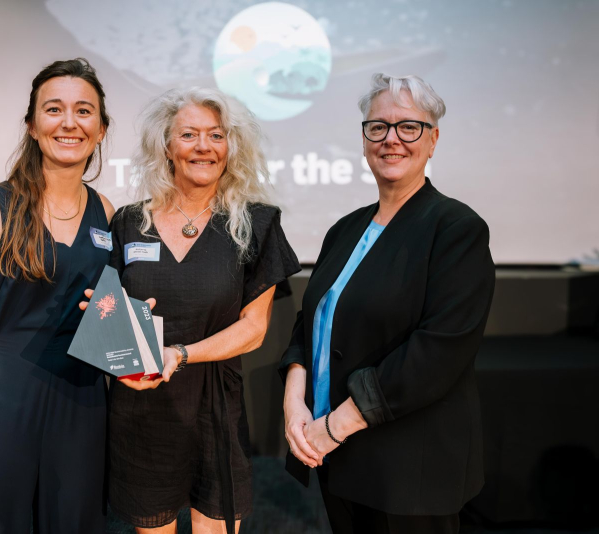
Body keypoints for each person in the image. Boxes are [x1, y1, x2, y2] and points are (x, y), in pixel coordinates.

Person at [280, 73, 495, 534]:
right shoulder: (345, 229)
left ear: (433, 139)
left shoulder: (456, 229)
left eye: (408, 127)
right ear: (363, 140)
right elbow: (312, 322)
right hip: (337, 459)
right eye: (377, 127)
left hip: (407, 471)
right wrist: (294, 402)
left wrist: (334, 426)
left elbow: (437, 354)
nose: (391, 139)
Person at [107, 87, 301, 533]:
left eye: (216, 136)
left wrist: (182, 353)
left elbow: (254, 329)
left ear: (231, 148)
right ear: (167, 147)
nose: (203, 147)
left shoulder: (256, 224)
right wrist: (110, 335)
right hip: (142, 406)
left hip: (216, 409)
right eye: (189, 134)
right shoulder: (128, 221)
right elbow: (110, 313)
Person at [0, 58, 115, 534]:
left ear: (100, 129)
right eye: (53, 109)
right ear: (33, 126)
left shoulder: (108, 213)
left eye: (83, 111)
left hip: (82, 402)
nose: (69, 122)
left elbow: (105, 316)